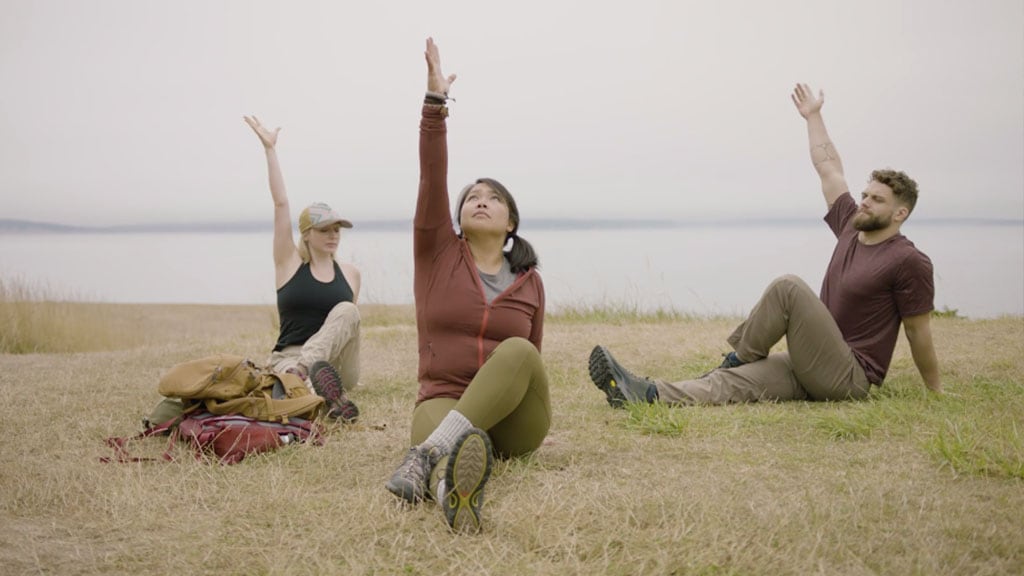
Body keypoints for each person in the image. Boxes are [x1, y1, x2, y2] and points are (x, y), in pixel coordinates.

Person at [588, 83, 942, 408]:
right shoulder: (851, 228)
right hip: (815, 361)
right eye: (865, 194)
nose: (864, 202)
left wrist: (934, 393)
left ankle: (739, 356)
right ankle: (643, 394)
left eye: (876, 199)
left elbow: (918, 332)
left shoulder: (908, 261)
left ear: (900, 212)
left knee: (788, 288)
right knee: (731, 383)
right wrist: (814, 116)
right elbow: (828, 168)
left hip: (849, 377)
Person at [384, 38, 551, 534]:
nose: (480, 201)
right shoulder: (436, 252)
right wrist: (435, 105)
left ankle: (431, 452)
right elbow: (431, 175)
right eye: (472, 197)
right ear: (456, 216)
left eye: (493, 198)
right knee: (445, 436)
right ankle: (448, 486)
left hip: (514, 421)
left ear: (511, 221)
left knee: (520, 351)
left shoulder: (530, 281)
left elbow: (532, 356)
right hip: (444, 396)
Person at [243, 115, 362, 422]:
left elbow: (343, 331)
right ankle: (327, 400)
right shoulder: (288, 264)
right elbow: (281, 204)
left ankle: (311, 380)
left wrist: (313, 361)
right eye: (325, 229)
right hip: (288, 358)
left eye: (338, 229)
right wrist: (270, 150)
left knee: (348, 311)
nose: (334, 235)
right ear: (307, 233)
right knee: (297, 381)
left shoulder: (350, 273)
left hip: (335, 364)